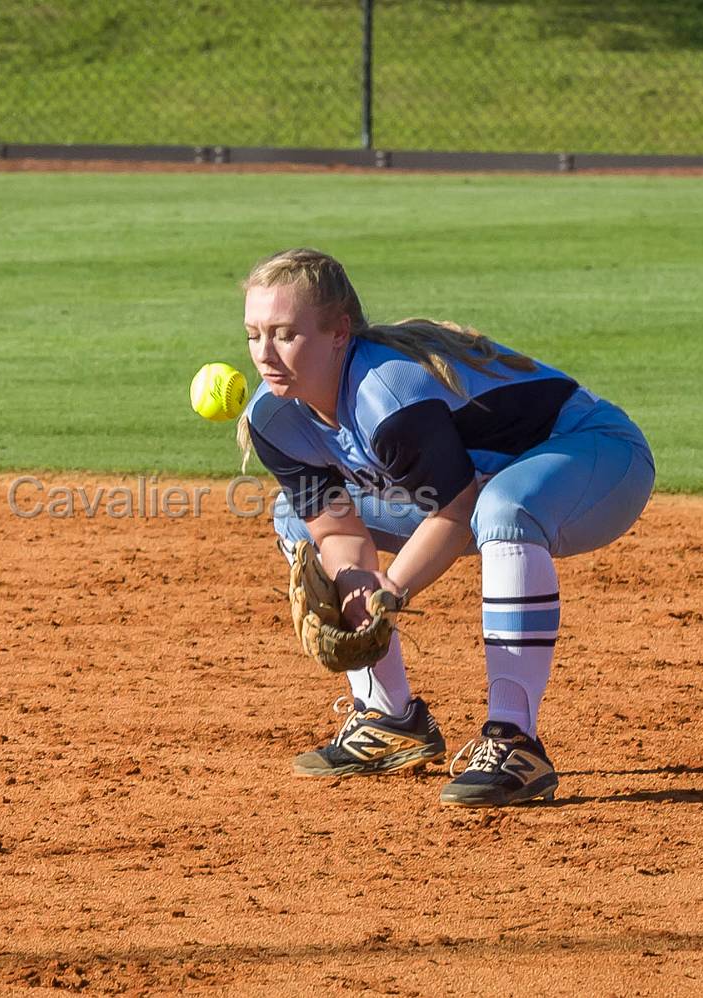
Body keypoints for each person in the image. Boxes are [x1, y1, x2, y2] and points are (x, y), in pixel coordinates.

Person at [239, 248, 654, 807]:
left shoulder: (384, 396)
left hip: (594, 455)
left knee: (502, 510)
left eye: (285, 334)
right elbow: (339, 533)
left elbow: (456, 512)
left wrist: (393, 588)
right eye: (253, 334)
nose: (265, 354)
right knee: (294, 517)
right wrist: (358, 591)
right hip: (478, 486)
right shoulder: (275, 418)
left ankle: (515, 739)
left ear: (340, 332)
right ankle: (389, 718)